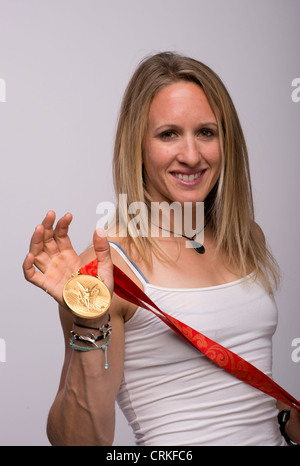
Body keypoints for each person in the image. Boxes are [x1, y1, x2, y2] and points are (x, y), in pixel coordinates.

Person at [23, 52, 300, 446]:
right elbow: (78, 442)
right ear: (137, 145)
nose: (191, 155)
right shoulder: (105, 270)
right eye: (168, 134)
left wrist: (283, 413)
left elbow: (231, 387)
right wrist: (88, 318)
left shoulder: (244, 237)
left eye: (206, 132)